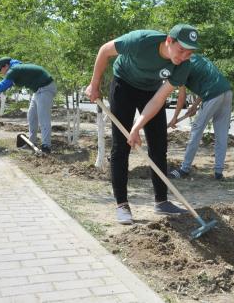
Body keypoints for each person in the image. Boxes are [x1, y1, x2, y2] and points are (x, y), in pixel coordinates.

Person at [84, 24, 199, 225]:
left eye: (189, 53)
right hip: (124, 85)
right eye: (181, 50)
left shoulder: (183, 65)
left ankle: (161, 202)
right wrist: (94, 84)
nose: (183, 56)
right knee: (121, 147)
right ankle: (122, 205)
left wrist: (137, 128)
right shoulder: (140, 41)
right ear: (169, 41)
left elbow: (158, 99)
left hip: (151, 92)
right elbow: (104, 50)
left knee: (159, 146)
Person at [167, 54, 233, 180]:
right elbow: (209, 82)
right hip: (226, 91)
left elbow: (181, 98)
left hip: (213, 95)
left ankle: (184, 169)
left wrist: (175, 117)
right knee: (222, 134)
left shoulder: (180, 66)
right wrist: (194, 106)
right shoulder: (197, 58)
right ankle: (219, 173)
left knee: (196, 130)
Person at [0, 57, 57, 153]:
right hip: (38, 90)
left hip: (46, 88)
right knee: (31, 116)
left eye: (1, 69)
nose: (1, 72)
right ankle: (32, 142)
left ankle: (46, 147)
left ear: (6, 66)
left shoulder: (14, 70)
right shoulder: (15, 68)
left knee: (43, 118)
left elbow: (2, 86)